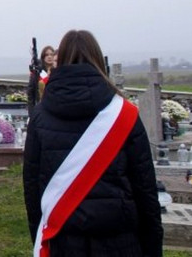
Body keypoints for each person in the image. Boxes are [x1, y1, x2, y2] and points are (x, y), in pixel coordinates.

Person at [23, 30, 162, 257]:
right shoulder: (124, 114)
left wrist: (38, 238)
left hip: (62, 240)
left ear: (61, 58)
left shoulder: (39, 116)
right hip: (120, 241)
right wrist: (153, 247)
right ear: (98, 58)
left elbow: (32, 186)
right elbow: (145, 188)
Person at [26, 45, 57, 116]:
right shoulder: (37, 72)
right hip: (40, 107)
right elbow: (30, 92)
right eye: (47, 55)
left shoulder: (57, 71)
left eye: (51, 54)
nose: (49, 57)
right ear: (43, 57)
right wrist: (31, 112)